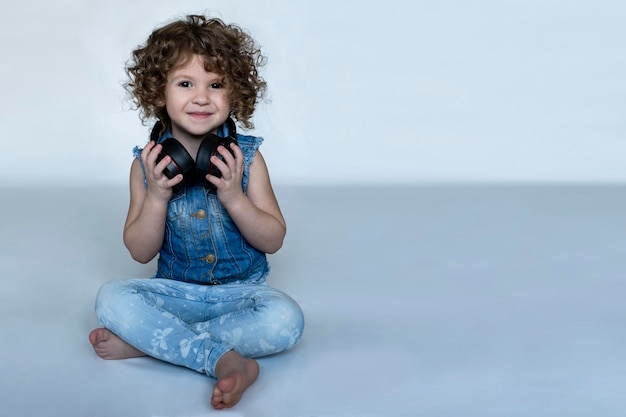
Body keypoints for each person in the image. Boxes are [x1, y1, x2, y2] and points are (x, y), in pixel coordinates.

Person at [88, 14, 304, 409]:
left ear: (234, 93)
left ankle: (152, 343)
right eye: (185, 83)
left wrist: (234, 198)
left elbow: (273, 238)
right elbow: (139, 251)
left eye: (216, 84)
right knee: (110, 297)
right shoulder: (147, 166)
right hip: (176, 293)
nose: (202, 97)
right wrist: (156, 197)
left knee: (286, 320)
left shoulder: (248, 158)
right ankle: (225, 358)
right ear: (159, 92)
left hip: (243, 294)